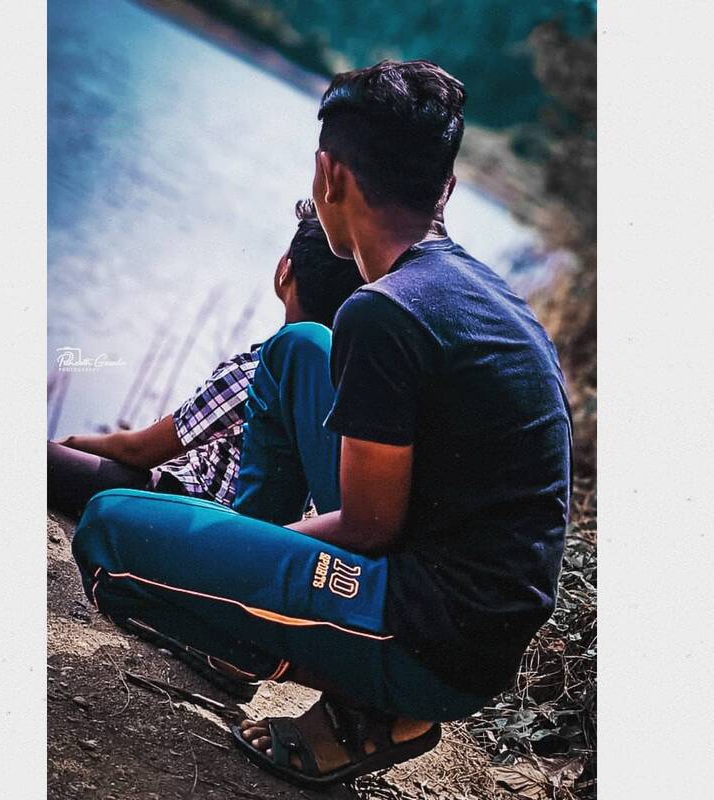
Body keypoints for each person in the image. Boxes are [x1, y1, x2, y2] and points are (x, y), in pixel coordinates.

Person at [71, 60, 572, 788]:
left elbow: (368, 528)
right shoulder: (473, 290)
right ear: (447, 188)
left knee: (110, 528)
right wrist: (249, 546)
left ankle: (368, 705)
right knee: (298, 350)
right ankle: (241, 644)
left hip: (427, 639)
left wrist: (248, 552)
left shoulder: (385, 310)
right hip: (463, 615)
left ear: (328, 176)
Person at [47, 199, 363, 520]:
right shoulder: (334, 382)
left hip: (187, 506)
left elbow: (141, 450)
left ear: (285, 270)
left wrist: (71, 442)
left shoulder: (257, 372)